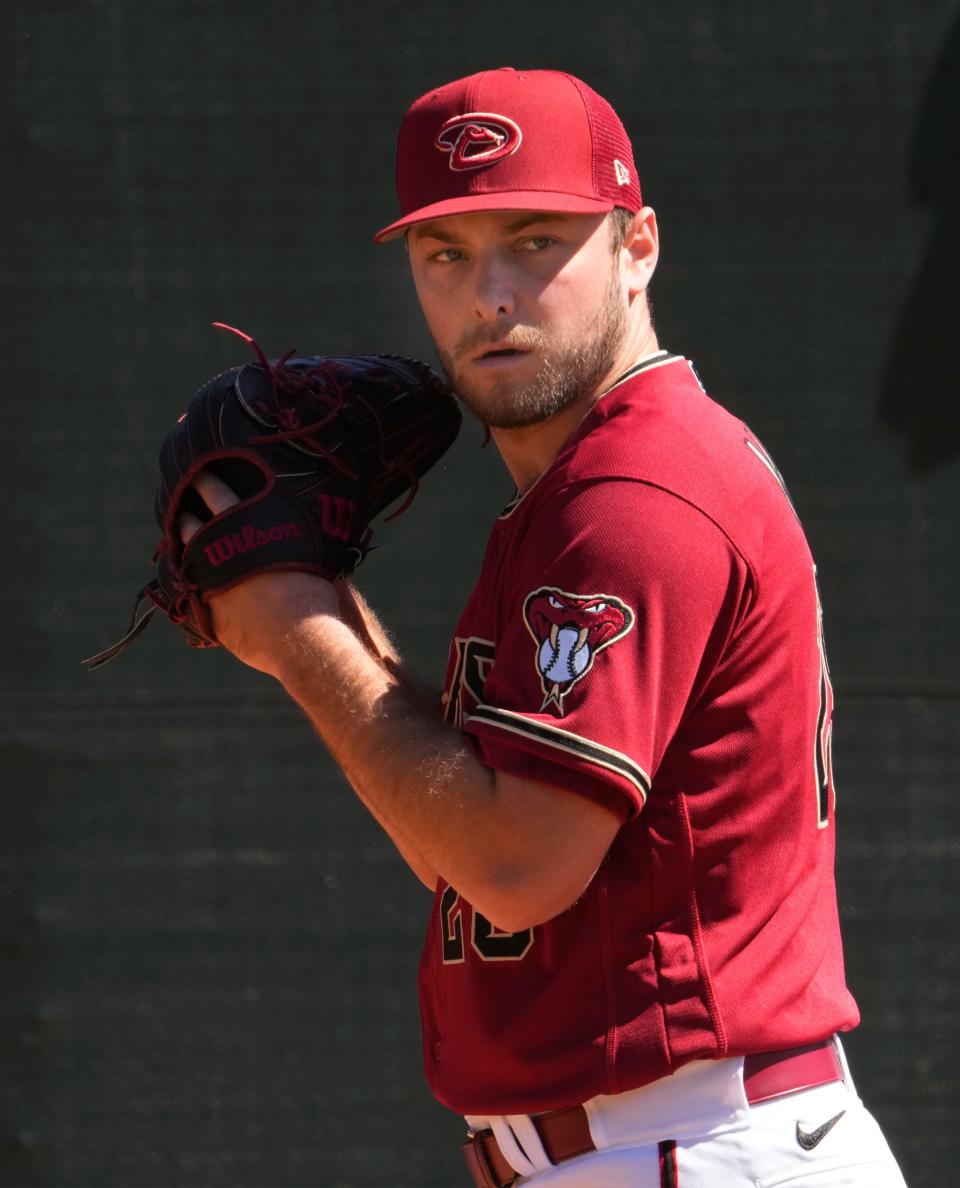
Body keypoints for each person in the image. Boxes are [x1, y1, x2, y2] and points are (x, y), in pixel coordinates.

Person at [180, 68, 908, 1187]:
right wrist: (318, 601)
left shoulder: (636, 496)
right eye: (448, 255)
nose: (491, 296)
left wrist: (293, 629)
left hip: (689, 1144)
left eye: (535, 240)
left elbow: (515, 862)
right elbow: (459, 815)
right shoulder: (599, 481)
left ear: (638, 244)